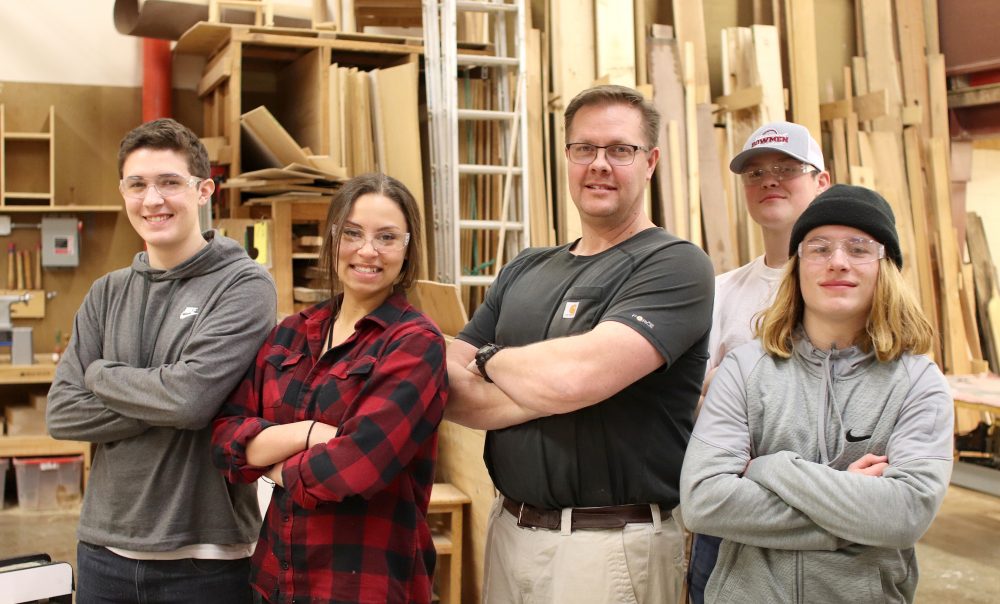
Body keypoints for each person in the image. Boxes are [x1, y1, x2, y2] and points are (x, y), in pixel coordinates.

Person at [445, 84, 714, 603]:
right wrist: (549, 389)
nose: (600, 164)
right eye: (584, 149)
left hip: (610, 549)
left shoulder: (675, 265)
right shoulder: (524, 267)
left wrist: (489, 359)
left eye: (620, 149)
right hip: (509, 529)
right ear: (566, 157)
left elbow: (577, 378)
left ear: (651, 160)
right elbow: (453, 390)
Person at [680, 185, 954, 603]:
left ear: (886, 267)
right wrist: (851, 512)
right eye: (819, 248)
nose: (838, 262)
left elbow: (905, 514)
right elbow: (703, 501)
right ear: (798, 267)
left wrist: (770, 469)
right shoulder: (746, 368)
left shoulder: (918, 382)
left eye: (859, 248)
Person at [46, 118, 277, 602]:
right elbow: (63, 412)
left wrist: (101, 374)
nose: (153, 200)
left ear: (203, 190)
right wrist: (168, 397)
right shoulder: (106, 293)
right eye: (138, 185)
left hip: (206, 559)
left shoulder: (244, 285)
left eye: (170, 182)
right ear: (123, 193)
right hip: (103, 550)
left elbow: (190, 401)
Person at [211, 173, 448, 603]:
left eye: (387, 237)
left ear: (408, 248)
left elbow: (358, 467)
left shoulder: (415, 343)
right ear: (334, 238)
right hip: (275, 581)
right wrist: (307, 434)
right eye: (353, 233)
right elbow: (226, 438)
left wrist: (268, 465)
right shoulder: (292, 333)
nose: (368, 250)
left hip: (361, 585)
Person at [688, 120, 830, 601]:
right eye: (755, 172)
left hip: (825, 516)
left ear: (821, 181)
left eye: (786, 168)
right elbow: (697, 400)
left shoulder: (847, 286)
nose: (769, 179)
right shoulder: (722, 289)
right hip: (732, 520)